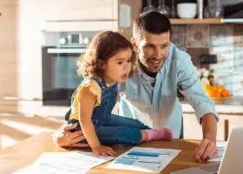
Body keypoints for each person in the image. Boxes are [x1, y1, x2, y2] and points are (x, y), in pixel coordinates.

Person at [54, 11, 219, 162]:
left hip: (171, 138)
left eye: (164, 45)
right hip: (128, 143)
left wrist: (210, 139)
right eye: (149, 46)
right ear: (134, 44)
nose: (158, 54)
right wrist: (60, 135)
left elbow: (201, 102)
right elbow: (83, 107)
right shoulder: (119, 62)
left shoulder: (180, 61)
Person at [64, 31, 172, 157]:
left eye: (129, 60)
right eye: (120, 62)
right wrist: (97, 146)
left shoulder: (113, 79)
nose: (126, 67)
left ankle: (150, 133)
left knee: (135, 124)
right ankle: (149, 135)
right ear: (102, 64)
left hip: (103, 120)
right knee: (121, 133)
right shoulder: (90, 88)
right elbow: (85, 121)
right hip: (83, 130)